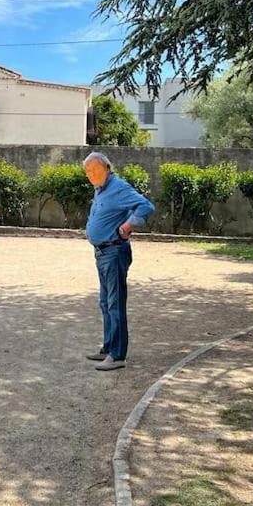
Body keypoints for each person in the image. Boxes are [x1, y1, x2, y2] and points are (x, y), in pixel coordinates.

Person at [83, 152, 154, 371]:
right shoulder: (100, 189)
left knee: (115, 303)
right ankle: (108, 348)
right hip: (102, 253)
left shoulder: (118, 187)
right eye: (88, 172)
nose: (91, 175)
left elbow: (146, 206)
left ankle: (118, 355)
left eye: (95, 170)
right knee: (105, 303)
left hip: (114, 252)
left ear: (107, 168)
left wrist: (128, 224)